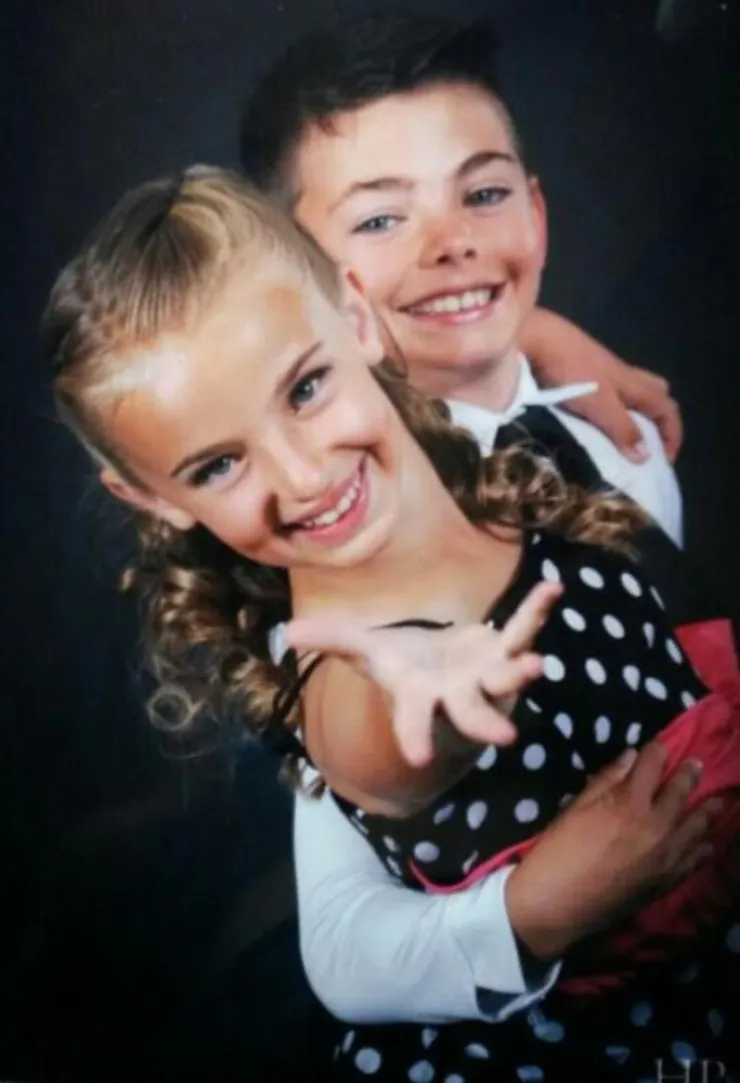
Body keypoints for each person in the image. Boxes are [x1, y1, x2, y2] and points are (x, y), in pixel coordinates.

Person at [42, 166, 739, 1080]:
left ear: (359, 321)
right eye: (217, 467)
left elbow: (486, 339)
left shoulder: (503, 458)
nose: (304, 477)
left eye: (304, 389)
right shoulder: (336, 670)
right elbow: (376, 750)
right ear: (151, 497)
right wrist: (430, 713)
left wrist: (548, 334)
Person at [237, 10, 696, 1028]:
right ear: (297, 284)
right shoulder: (337, 549)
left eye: (483, 194)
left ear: (535, 209)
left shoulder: (616, 433)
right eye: (379, 220)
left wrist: (544, 332)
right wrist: (533, 910)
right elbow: (342, 949)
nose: (452, 244)